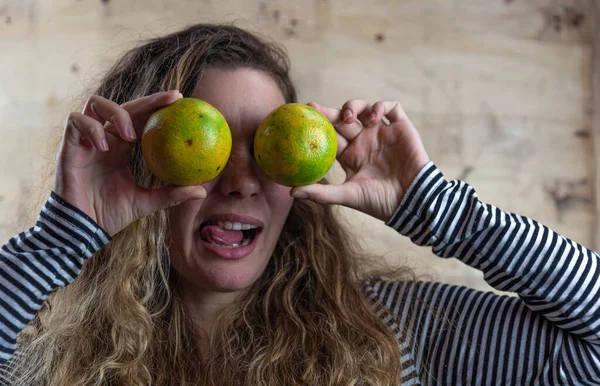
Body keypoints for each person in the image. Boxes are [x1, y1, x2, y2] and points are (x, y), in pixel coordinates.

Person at [0, 23, 598, 385]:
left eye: (266, 147)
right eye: (207, 151)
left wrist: (438, 209)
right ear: (144, 164)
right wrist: (68, 235)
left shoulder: (402, 335)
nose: (240, 181)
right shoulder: (52, 346)